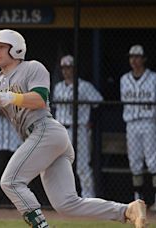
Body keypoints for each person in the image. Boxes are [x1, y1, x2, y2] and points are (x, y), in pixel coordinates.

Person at [0, 29, 147, 228]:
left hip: (46, 131)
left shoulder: (32, 68)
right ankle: (127, 210)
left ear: (16, 49)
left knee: (11, 181)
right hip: (40, 139)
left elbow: (40, 99)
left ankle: (40, 226)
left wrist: (11, 97)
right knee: (67, 204)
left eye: (1, 47)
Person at [120, 45, 156, 211]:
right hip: (131, 123)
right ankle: (137, 201)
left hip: (149, 122)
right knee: (135, 162)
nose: (134, 60)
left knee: (153, 161)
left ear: (144, 59)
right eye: (131, 56)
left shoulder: (154, 78)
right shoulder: (124, 79)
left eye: (137, 56)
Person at [53, 54, 103, 198]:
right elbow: (55, 108)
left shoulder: (84, 86)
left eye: (69, 68)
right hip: (62, 129)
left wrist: (91, 120)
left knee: (82, 166)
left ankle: (89, 197)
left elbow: (98, 103)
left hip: (79, 129)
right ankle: (63, 197)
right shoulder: (58, 88)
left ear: (74, 69)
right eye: (64, 68)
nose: (66, 71)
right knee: (61, 165)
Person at [0, 105, 22, 204]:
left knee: (16, 174)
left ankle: (16, 202)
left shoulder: (19, 89)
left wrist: (8, 108)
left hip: (15, 139)